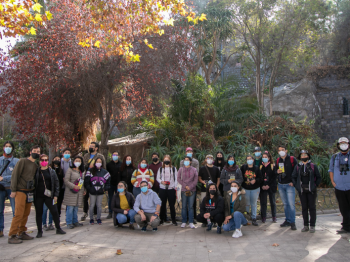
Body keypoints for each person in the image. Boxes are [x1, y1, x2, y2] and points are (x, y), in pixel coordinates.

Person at [8, 145, 40, 244]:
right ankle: (12, 234)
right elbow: (15, 175)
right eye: (34, 151)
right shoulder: (22, 161)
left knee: (26, 213)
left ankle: (21, 232)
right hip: (20, 190)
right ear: (30, 152)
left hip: (29, 191)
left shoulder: (35, 165)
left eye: (38, 151)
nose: (36, 153)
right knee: (18, 213)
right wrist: (13, 190)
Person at [34, 154, 66, 238]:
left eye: (46, 160)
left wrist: (56, 195)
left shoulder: (52, 171)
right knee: (39, 213)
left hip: (49, 196)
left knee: (54, 211)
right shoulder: (36, 171)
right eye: (42, 160)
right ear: (39, 161)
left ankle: (58, 228)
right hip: (38, 196)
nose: (44, 162)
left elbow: (56, 184)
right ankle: (39, 231)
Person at [292, 150, 321, 233]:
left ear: (308, 156)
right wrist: (296, 186)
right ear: (300, 157)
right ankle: (305, 225)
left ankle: (312, 225)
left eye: (305, 155)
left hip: (311, 190)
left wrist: (314, 186)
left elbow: (318, 177)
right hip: (302, 190)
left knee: (312, 207)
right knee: (304, 208)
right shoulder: (298, 166)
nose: (304, 156)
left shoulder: (313, 166)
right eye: (302, 155)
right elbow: (293, 176)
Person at [329, 137, 350, 234]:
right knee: (343, 207)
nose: (343, 144)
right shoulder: (335, 157)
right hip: (339, 187)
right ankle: (346, 226)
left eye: (345, 143)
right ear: (338, 145)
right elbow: (331, 170)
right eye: (341, 143)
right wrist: (333, 182)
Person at [275, 145, 297, 230]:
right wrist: (277, 171)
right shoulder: (278, 160)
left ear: (286, 150)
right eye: (279, 150)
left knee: (291, 204)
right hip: (281, 185)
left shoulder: (292, 159)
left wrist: (293, 182)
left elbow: (296, 171)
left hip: (289, 185)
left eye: (282, 150)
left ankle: (292, 222)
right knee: (285, 204)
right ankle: (287, 220)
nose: (281, 151)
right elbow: (275, 172)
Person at [81, 142, 106, 221]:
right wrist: (88, 166)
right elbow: (83, 166)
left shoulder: (100, 156)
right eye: (90, 146)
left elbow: (104, 167)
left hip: (96, 178)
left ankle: (95, 214)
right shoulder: (86, 156)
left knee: (95, 196)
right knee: (85, 196)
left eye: (92, 146)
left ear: (96, 148)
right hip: (86, 178)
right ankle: (85, 212)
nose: (90, 147)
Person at [0, 141, 19, 238]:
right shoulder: (0, 160)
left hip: (13, 188)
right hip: (1, 188)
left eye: (10, 146)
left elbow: (16, 175)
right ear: (3, 148)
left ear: (12, 148)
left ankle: (16, 230)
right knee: (0, 210)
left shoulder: (16, 161)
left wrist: (4, 178)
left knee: (15, 210)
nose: (8, 148)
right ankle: (0, 230)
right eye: (6, 146)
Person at [84, 157, 111, 225]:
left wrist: (105, 189)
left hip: (100, 192)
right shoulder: (90, 171)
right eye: (97, 161)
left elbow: (108, 182)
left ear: (102, 163)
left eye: (100, 162)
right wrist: (89, 189)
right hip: (92, 192)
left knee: (99, 205)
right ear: (95, 163)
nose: (98, 163)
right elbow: (86, 182)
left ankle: (98, 218)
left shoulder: (105, 172)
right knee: (92, 205)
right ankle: (91, 218)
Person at [63, 156, 85, 229]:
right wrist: (73, 186)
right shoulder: (70, 170)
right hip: (70, 192)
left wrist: (84, 190)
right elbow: (66, 181)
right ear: (73, 161)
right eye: (76, 160)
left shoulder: (82, 171)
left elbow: (82, 182)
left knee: (76, 208)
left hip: (79, 192)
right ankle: (69, 222)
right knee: (70, 208)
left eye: (79, 160)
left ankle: (75, 221)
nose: (77, 162)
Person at [240, 155, 262, 226]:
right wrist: (246, 179)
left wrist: (255, 180)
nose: (249, 160)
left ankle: (253, 218)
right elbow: (240, 177)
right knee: (246, 204)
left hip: (255, 189)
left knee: (254, 204)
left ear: (253, 160)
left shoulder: (256, 168)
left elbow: (260, 178)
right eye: (247, 159)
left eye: (250, 159)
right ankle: (246, 218)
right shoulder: (243, 168)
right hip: (245, 188)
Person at [180, 147, 199, 224]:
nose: (189, 152)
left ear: (192, 152)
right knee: (184, 204)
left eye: (190, 151)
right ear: (185, 152)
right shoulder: (182, 161)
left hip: (193, 185)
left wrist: (191, 185)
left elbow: (196, 171)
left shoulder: (196, 161)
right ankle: (185, 219)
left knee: (192, 204)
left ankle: (192, 218)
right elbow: (182, 172)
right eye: (188, 151)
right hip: (184, 186)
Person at [156, 155, 178, 225]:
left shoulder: (173, 168)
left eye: (167, 159)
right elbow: (158, 178)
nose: (166, 161)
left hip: (171, 189)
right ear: (163, 161)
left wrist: (174, 187)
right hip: (162, 188)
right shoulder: (161, 169)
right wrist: (162, 182)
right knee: (162, 205)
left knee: (172, 205)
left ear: (170, 160)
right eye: (165, 159)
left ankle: (173, 219)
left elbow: (176, 179)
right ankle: (162, 219)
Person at [259, 151, 277, 223]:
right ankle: (263, 216)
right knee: (263, 202)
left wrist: (268, 185)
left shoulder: (272, 166)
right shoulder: (260, 166)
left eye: (266, 157)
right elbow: (259, 176)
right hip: (262, 186)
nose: (264, 158)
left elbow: (274, 176)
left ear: (269, 158)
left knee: (272, 202)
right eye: (263, 157)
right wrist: (262, 185)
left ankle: (274, 216)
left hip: (271, 186)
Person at [106, 151, 121, 219]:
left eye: (116, 155)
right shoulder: (108, 164)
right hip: (111, 185)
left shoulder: (121, 164)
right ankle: (110, 212)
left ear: (118, 156)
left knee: (119, 199)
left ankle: (118, 212)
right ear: (112, 156)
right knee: (110, 199)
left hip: (119, 185)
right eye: (114, 155)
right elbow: (106, 175)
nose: (115, 156)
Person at [59, 148, 72, 217]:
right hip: (61, 185)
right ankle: (58, 216)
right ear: (63, 154)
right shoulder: (59, 162)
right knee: (59, 200)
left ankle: (68, 217)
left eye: (68, 153)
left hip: (69, 185)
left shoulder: (72, 163)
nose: (67, 154)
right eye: (65, 152)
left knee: (68, 202)